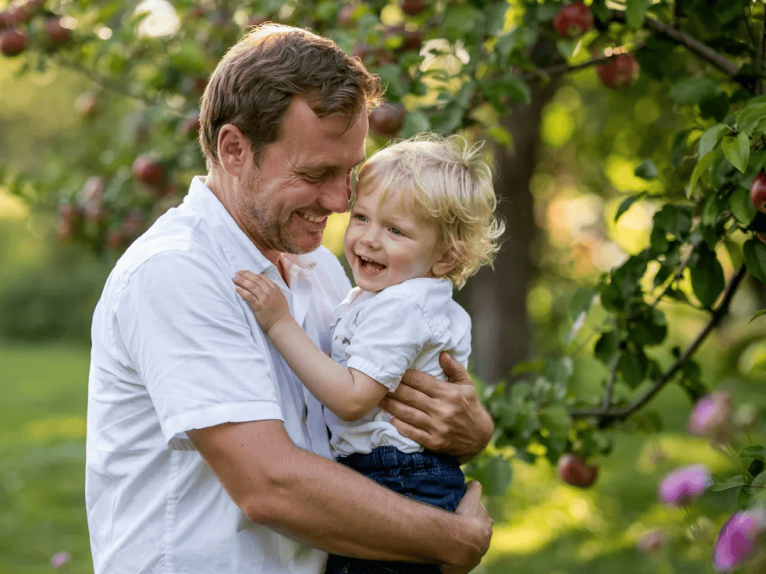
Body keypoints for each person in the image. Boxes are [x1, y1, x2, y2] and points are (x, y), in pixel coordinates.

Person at [85, 24, 494, 574]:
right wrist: (451, 539)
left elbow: (364, 413)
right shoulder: (177, 271)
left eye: (349, 173)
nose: (339, 201)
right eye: (316, 173)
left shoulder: (322, 270)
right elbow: (270, 486)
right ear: (234, 150)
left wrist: (469, 432)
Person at [233, 134, 503, 574]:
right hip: (397, 475)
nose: (369, 239)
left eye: (395, 230)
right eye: (361, 217)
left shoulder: (403, 306)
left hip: (399, 480)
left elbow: (354, 398)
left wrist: (279, 324)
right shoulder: (381, 294)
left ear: (445, 256)